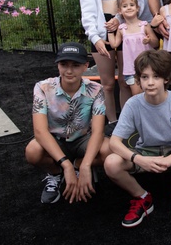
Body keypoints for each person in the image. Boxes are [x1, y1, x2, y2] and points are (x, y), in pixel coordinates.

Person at [104, 49, 171, 227]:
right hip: (145, 151)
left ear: (166, 79)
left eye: (156, 77)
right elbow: (114, 142)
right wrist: (139, 159)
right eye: (145, 77)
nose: (150, 83)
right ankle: (142, 197)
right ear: (139, 80)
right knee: (111, 163)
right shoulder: (133, 104)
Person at [24, 42, 110, 204]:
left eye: (75, 65)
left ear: (86, 66)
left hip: (83, 139)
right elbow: (40, 131)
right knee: (32, 151)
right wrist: (66, 166)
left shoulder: (96, 89)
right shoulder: (43, 88)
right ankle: (56, 172)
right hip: (55, 139)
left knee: (110, 150)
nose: (69, 71)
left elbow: (98, 131)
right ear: (58, 65)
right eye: (64, 64)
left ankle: (78, 165)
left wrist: (84, 165)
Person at [80, 0, 143, 122]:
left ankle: (127, 123)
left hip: (127, 27)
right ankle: (112, 124)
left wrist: (118, 18)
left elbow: (138, 0)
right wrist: (95, 37)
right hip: (101, 29)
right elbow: (87, 8)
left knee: (126, 81)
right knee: (107, 84)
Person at [108, 0, 159, 96]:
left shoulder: (144, 26)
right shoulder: (122, 29)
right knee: (137, 94)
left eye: (132, 5)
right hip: (131, 69)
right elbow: (114, 44)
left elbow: (156, 43)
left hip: (148, 67)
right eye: (125, 6)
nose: (129, 7)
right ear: (120, 11)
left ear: (137, 8)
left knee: (150, 93)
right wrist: (109, 31)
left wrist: (149, 40)